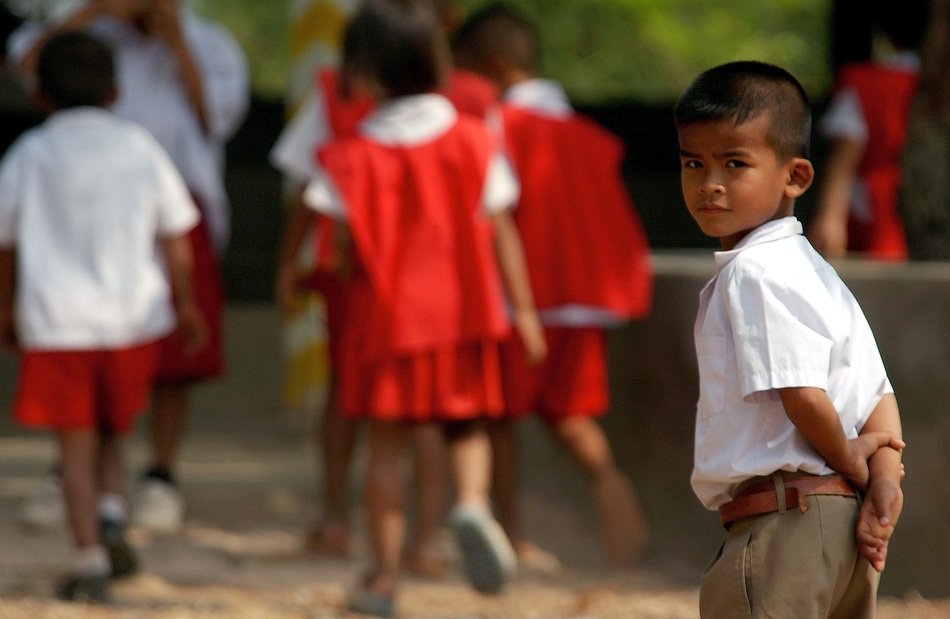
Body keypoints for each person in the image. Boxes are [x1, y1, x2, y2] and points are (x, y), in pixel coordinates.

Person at [280, 0, 546, 615]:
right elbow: (500, 226)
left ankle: (382, 579)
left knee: (385, 451)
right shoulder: (474, 139)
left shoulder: (349, 156)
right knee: (466, 427)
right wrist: (524, 313)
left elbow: (337, 238)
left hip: (386, 322)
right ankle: (473, 504)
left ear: (363, 70)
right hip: (466, 315)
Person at [7, 0, 249, 533]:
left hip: (169, 208)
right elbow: (26, 61)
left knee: (164, 365)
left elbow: (219, 118)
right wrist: (94, 11)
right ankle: (87, 489)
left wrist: (175, 42)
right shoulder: (84, 33)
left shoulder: (210, 46)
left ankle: (154, 477)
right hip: (74, 219)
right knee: (95, 376)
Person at [674, 60, 905, 617]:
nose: (710, 183)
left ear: (795, 177)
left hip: (785, 524)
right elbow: (879, 396)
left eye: (735, 163)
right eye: (693, 163)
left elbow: (801, 393)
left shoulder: (754, 272)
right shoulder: (820, 275)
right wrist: (882, 482)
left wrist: (851, 457)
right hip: (839, 528)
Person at [0, 31, 204, 602]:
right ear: (117, 92)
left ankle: (88, 558)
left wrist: (6, 306)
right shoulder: (140, 147)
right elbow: (176, 235)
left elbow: (5, 244)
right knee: (115, 432)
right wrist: (186, 303)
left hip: (57, 322)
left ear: (39, 96)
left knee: (74, 449)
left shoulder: (29, 154)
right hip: (132, 321)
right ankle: (113, 513)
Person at [450, 3, 653, 567]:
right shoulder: (588, 134)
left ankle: (510, 537)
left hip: (526, 303)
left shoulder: (499, 126)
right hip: (587, 302)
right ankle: (612, 489)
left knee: (500, 419)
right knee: (570, 414)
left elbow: (496, 215)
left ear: (487, 65)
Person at [808, 2, 930, 261]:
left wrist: (830, 217)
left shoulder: (868, 84)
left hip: (882, 214)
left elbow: (845, 158)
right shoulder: (925, 83)